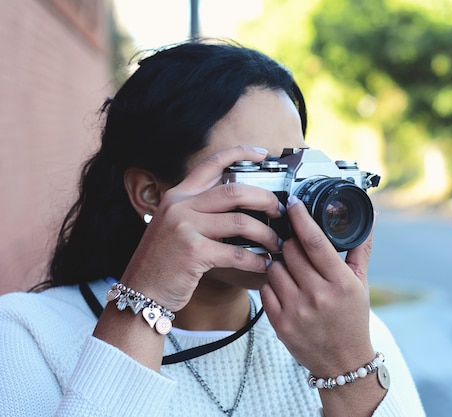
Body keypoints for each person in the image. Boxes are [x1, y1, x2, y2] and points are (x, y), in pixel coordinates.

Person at [0, 40, 425, 417]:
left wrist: (347, 367)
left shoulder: (339, 331)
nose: (292, 205)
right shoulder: (26, 333)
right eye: (258, 173)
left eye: (295, 171)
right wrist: (145, 299)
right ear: (150, 192)